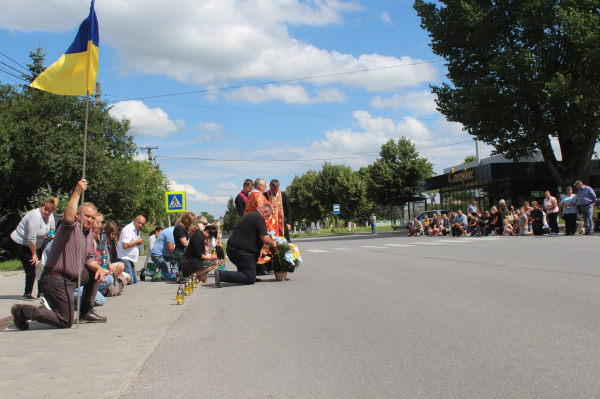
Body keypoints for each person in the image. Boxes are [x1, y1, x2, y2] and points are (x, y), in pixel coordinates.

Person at [10, 179, 107, 330]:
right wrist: (77, 192)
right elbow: (68, 217)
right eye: (86, 216)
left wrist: (99, 268)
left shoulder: (88, 234)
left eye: (92, 218)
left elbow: (89, 259)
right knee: (65, 321)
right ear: (78, 214)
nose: (89, 220)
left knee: (95, 273)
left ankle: (85, 312)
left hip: (73, 278)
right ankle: (24, 311)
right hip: (56, 279)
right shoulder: (70, 227)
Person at [214, 204, 277, 287]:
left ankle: (246, 275)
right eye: (267, 216)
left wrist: (260, 248)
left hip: (234, 250)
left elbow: (249, 235)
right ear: (264, 212)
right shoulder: (258, 218)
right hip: (241, 252)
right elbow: (265, 238)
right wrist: (274, 244)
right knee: (250, 278)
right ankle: (221, 275)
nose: (267, 219)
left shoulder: (250, 215)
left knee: (249, 275)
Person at [9, 197, 57, 300]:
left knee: (42, 266)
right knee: (32, 265)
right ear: (41, 207)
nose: (47, 212)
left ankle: (41, 293)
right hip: (20, 242)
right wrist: (34, 255)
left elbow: (52, 233)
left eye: (50, 210)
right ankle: (27, 294)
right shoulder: (35, 216)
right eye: (45, 209)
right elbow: (31, 238)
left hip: (37, 243)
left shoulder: (51, 217)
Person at [117, 215, 146, 284]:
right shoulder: (128, 229)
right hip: (124, 257)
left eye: (142, 224)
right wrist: (137, 242)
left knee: (135, 280)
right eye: (139, 223)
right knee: (130, 281)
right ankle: (117, 278)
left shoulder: (136, 230)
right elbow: (125, 245)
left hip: (130, 258)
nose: (140, 225)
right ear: (134, 220)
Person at [171, 211, 196, 276]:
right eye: (191, 222)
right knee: (177, 273)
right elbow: (185, 243)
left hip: (183, 254)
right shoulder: (180, 228)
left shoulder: (185, 228)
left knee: (180, 274)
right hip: (180, 253)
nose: (192, 223)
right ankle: (162, 275)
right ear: (186, 220)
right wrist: (194, 248)